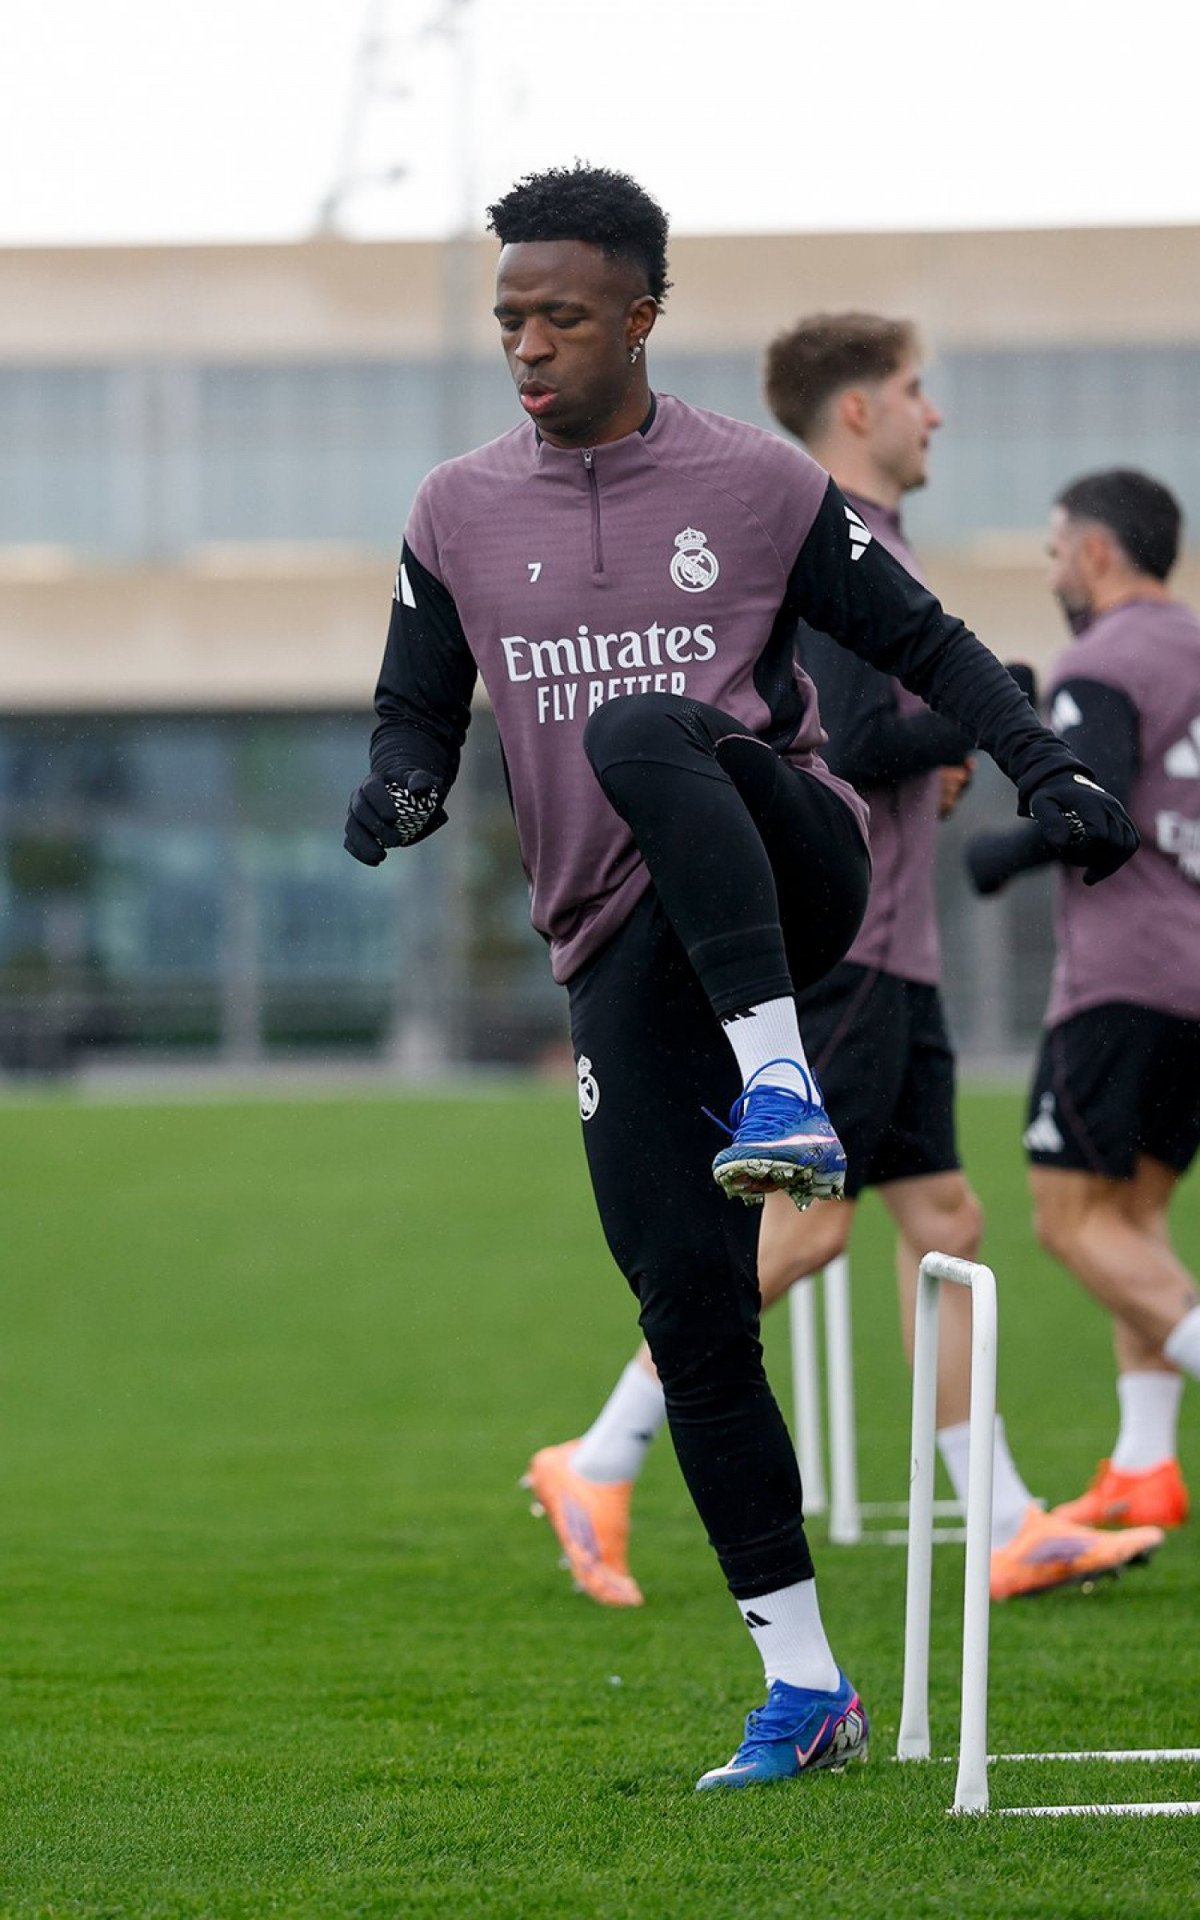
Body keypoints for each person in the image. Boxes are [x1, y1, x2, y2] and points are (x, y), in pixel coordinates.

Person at [344, 164, 1140, 1793]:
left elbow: (929, 644)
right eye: (510, 319)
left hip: (798, 872)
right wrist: (403, 789)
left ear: (642, 315)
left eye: (563, 317)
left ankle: (781, 1075)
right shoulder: (454, 510)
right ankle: (806, 1688)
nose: (529, 345)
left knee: (645, 727)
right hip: (612, 956)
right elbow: (417, 705)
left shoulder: (760, 482)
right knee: (693, 1316)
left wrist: (1045, 766)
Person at [526, 313, 1165, 1613]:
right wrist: (979, 719)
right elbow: (851, 741)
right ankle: (599, 1457)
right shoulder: (816, 538)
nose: (938, 414)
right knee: (807, 1233)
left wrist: (960, 736)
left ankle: (1004, 1520)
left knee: (947, 1223)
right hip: (850, 948)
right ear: (859, 411)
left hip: (903, 952)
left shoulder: (885, 541)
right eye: (918, 391)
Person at [966, 467, 1200, 1532]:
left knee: (1067, 1221)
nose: (1054, 569)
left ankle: (1151, 1456)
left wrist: (995, 853)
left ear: (1098, 553)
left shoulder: (1102, 660)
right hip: (1190, 985)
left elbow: (1086, 807)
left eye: (1057, 550)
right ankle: (1146, 1463)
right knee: (1134, 1221)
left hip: (1124, 978)